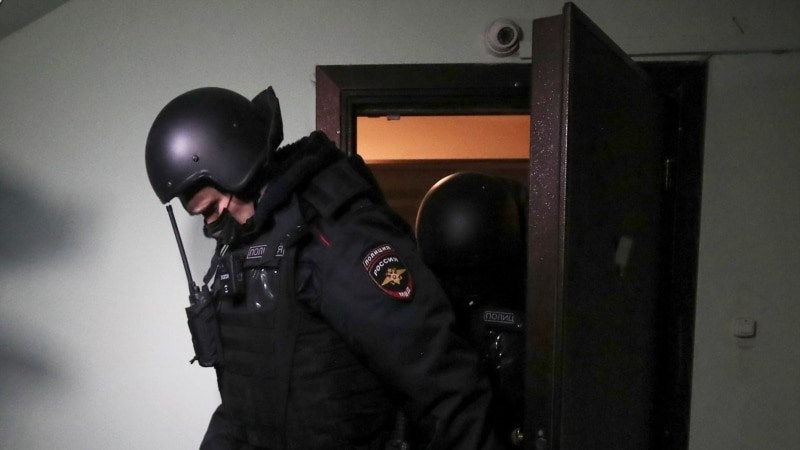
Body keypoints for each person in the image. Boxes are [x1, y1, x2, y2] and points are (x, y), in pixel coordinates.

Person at [144, 86, 503, 449]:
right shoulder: (252, 244)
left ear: (236, 168)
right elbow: (247, 402)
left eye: (212, 209)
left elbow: (444, 385)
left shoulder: (333, 235)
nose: (213, 226)